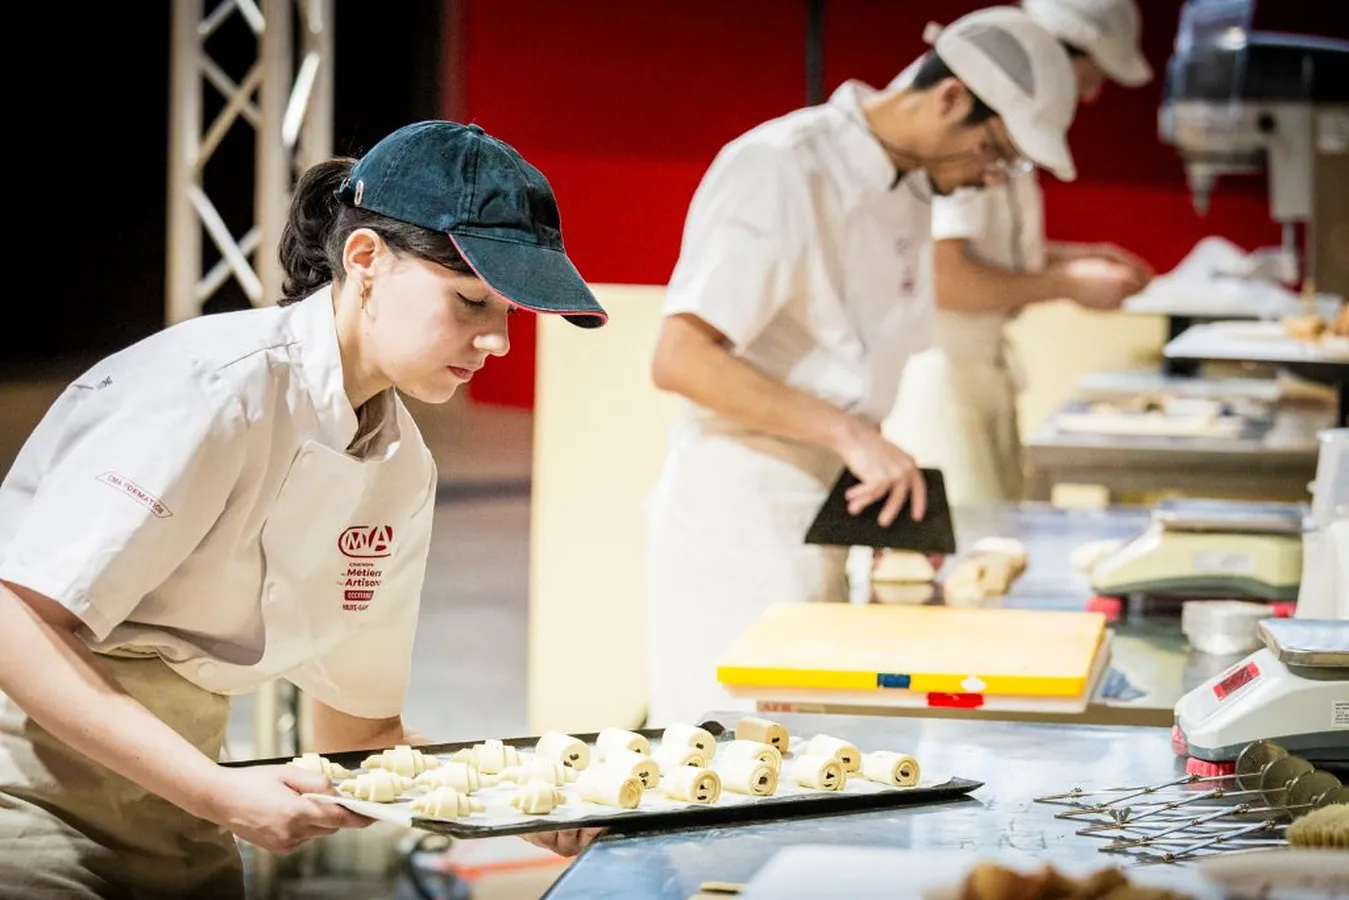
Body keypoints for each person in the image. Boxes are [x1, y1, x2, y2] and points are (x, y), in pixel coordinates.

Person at [0, 120, 606, 898]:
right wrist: (217, 792)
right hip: (23, 802)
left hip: (178, 820)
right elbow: (15, 623)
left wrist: (514, 802)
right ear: (365, 261)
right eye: (469, 302)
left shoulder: (398, 467)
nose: (497, 342)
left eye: (509, 315)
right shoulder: (213, 388)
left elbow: (356, 734)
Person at [643, 6, 1088, 727]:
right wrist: (851, 438)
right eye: (993, 151)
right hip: (741, 514)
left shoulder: (910, 189)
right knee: (728, 757)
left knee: (806, 755)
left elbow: (853, 374)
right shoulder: (781, 166)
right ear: (948, 98)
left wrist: (874, 481)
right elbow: (681, 357)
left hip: (824, 506)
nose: (990, 177)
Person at [889, 0, 1156, 506]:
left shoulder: (1001, 118)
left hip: (977, 372)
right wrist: (1068, 284)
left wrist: (1075, 257)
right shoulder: (967, 122)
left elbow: (986, 251)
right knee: (961, 560)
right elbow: (948, 278)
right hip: (941, 380)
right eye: (1093, 77)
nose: (1093, 96)